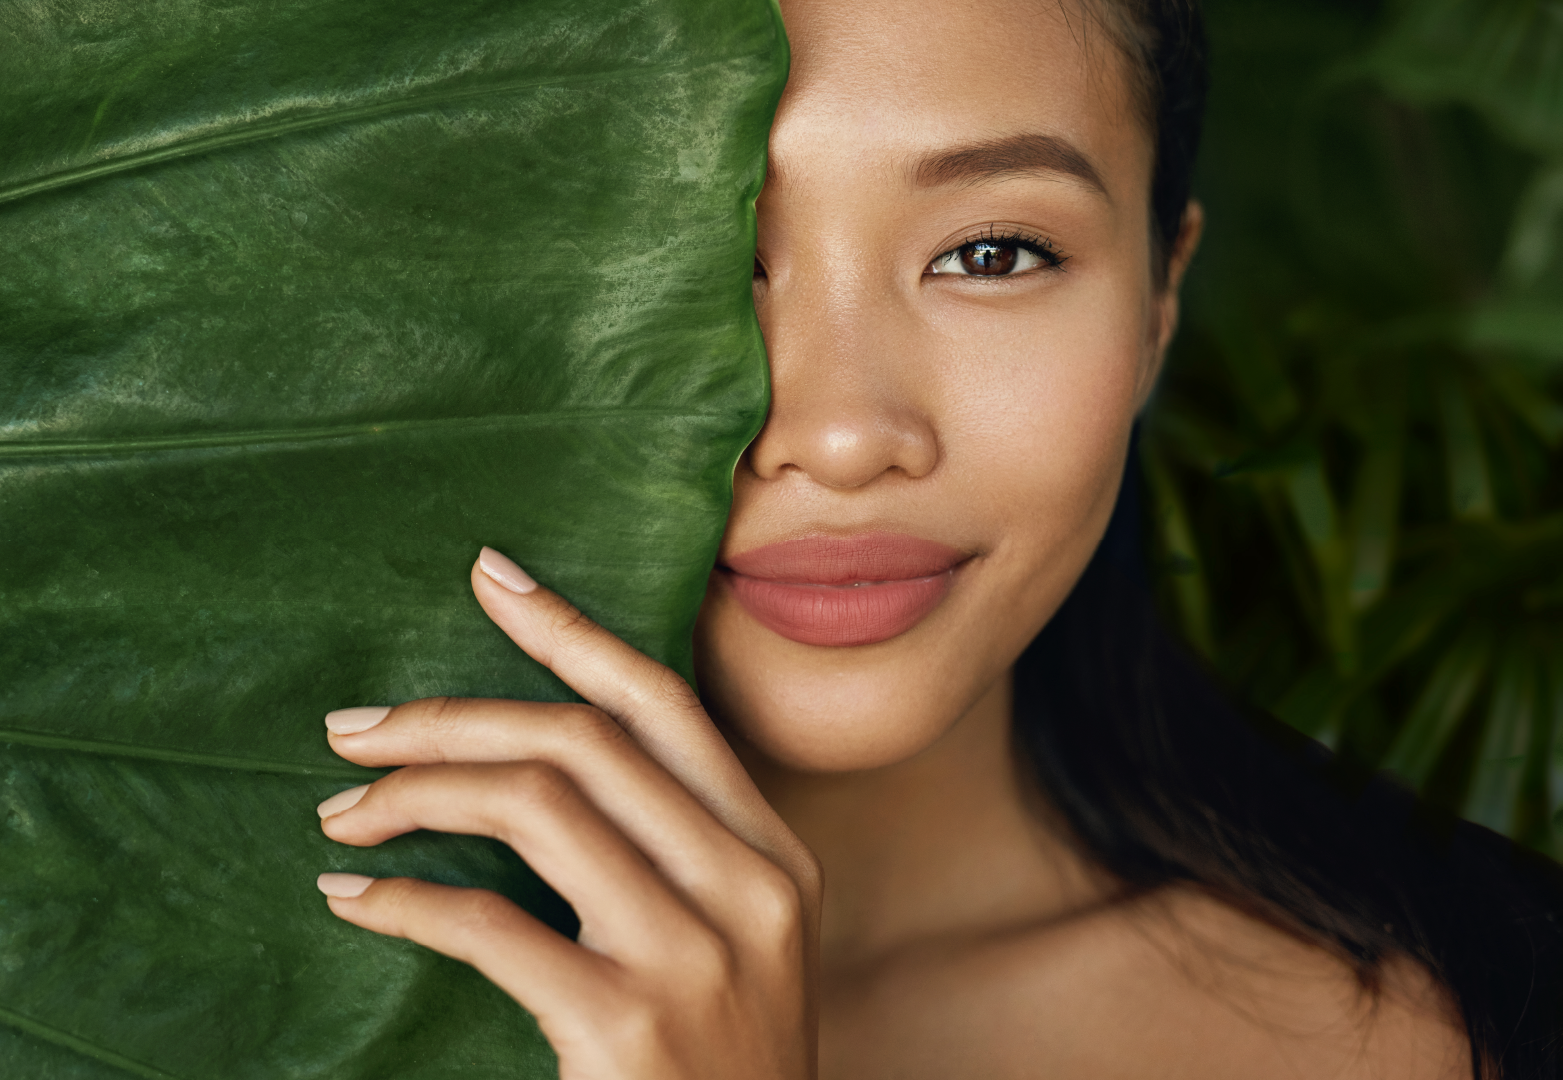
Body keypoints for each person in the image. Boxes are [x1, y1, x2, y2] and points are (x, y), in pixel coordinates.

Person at [305, 0, 1563, 1076]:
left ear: (1159, 303)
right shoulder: (190, 978)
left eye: (992, 252)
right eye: (694, 256)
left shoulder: (1485, 1015)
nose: (845, 436)